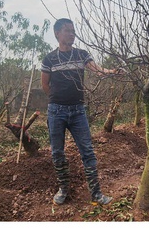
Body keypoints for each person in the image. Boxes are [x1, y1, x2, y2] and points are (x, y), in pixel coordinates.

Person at [40, 18, 119, 206]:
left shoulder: (81, 55)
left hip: (78, 111)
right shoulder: (49, 59)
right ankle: (63, 189)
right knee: (57, 152)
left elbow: (97, 70)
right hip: (56, 111)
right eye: (68, 31)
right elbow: (44, 84)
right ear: (57, 34)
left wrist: (111, 71)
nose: (72, 34)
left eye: (73, 31)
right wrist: (57, 100)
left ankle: (96, 193)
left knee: (88, 152)